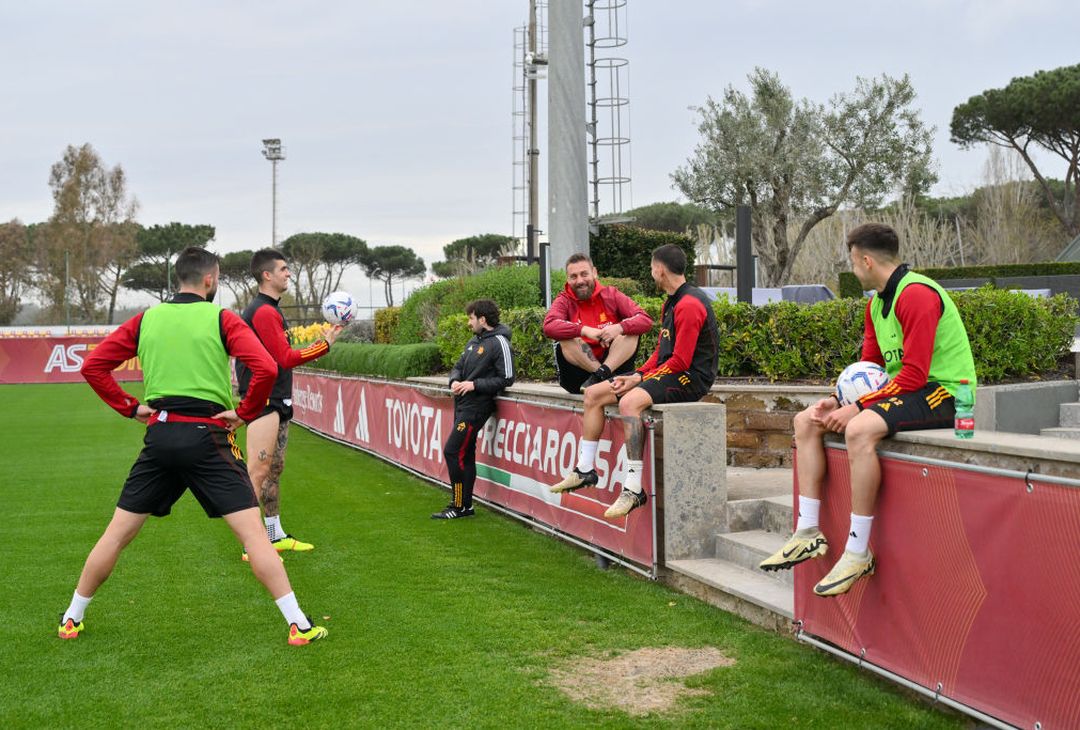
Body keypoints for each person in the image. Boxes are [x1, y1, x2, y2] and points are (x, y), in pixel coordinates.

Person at [60, 246, 327, 645]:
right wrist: (245, 411)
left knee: (116, 535)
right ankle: (300, 625)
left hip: (161, 435)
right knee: (254, 537)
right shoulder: (221, 318)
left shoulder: (147, 319)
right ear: (210, 280)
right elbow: (268, 366)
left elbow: (92, 365)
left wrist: (131, 408)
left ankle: (71, 618)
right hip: (208, 437)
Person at [759, 223, 977, 597]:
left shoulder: (918, 295)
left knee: (859, 430)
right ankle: (808, 531)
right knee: (806, 420)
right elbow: (870, 366)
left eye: (853, 262)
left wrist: (857, 408)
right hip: (908, 391)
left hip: (947, 393)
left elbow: (914, 373)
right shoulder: (877, 302)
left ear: (865, 259)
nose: (853, 269)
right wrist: (837, 399)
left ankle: (858, 550)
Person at [550, 244, 719, 519]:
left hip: (690, 379)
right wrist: (637, 373)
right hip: (669, 371)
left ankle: (633, 487)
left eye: (652, 269)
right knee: (593, 394)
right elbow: (661, 352)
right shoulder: (672, 300)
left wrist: (638, 379)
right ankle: (585, 470)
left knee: (629, 402)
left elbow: (681, 362)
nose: (652, 274)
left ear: (660, 270)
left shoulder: (689, 304)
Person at [235, 249, 341, 559]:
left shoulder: (270, 310)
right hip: (264, 400)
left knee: (273, 469)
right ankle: (251, 545)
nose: (288, 274)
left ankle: (274, 534)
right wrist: (324, 345)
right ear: (266, 275)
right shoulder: (264, 311)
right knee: (258, 472)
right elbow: (284, 358)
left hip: (277, 398)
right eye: (283, 269)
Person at [433, 299, 514, 519]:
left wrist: (474, 385)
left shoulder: (499, 342)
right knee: (465, 454)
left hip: (476, 408)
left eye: (471, 318)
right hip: (462, 405)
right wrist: (454, 382)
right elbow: (457, 367)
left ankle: (458, 505)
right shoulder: (473, 341)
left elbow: (507, 378)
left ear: (482, 319)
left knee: (452, 451)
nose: (469, 322)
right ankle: (466, 507)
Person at [543, 253, 653, 393]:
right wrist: (584, 330)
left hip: (614, 369)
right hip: (579, 379)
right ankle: (602, 375)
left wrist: (618, 328)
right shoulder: (564, 300)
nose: (580, 281)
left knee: (631, 332)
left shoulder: (611, 294)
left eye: (584, 274)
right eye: (574, 276)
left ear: (594, 273)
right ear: (568, 279)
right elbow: (549, 326)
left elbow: (645, 319)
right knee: (565, 339)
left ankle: (601, 374)